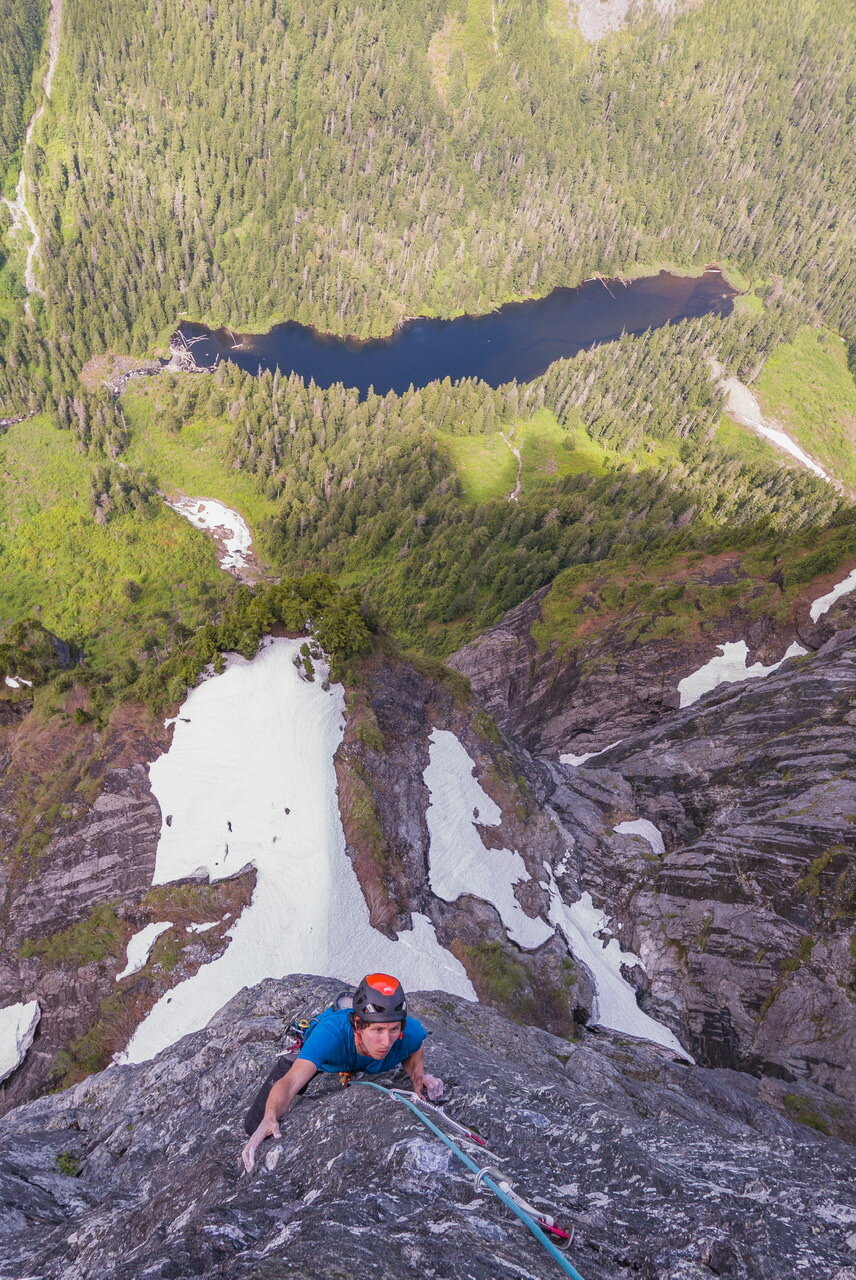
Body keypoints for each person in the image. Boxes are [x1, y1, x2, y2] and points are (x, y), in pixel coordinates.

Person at [241, 973, 444, 1172]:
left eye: (393, 1029)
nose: (386, 1041)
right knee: (254, 1126)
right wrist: (270, 1115)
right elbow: (291, 1082)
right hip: (329, 1057)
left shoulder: (410, 1033)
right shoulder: (331, 1035)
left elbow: (416, 1047)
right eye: (378, 1030)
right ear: (358, 1025)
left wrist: (418, 1076)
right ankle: (336, 1012)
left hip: (347, 1050)